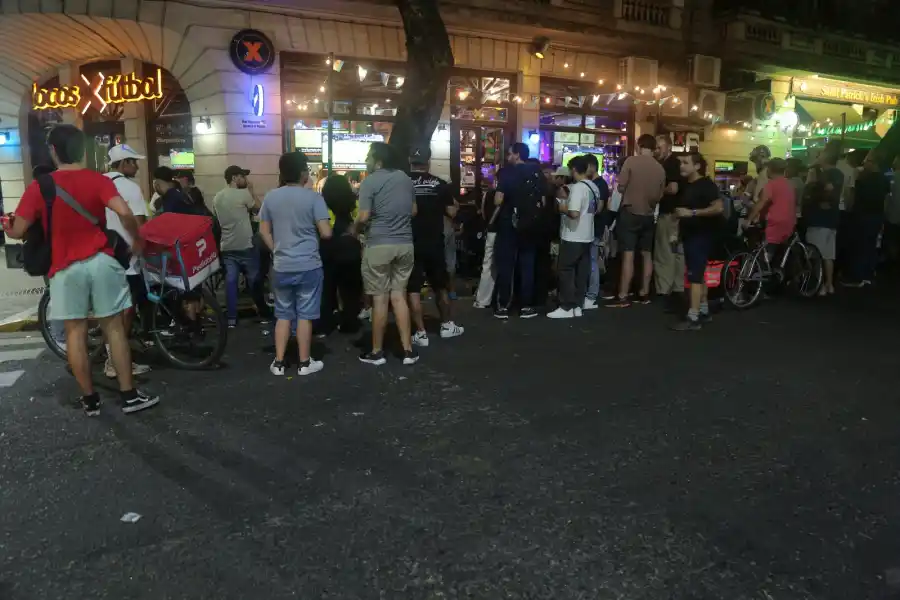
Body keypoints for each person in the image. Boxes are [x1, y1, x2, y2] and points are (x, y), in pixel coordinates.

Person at [2, 124, 159, 415]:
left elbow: (18, 231)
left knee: (76, 332)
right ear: (82, 150)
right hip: (101, 261)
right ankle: (129, 397)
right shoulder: (96, 180)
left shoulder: (41, 186)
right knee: (114, 329)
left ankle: (90, 400)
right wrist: (137, 239)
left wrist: (9, 225)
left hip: (64, 268)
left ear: (53, 151)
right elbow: (124, 213)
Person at [259, 152, 332, 376]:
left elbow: (263, 230)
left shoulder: (271, 197)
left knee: (283, 313)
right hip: (309, 264)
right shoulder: (314, 198)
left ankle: (279, 362)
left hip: (282, 264)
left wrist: (277, 249)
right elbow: (326, 233)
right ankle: (304, 362)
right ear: (303, 173)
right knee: (305, 314)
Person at [350, 142, 418, 366]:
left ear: (378, 161)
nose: (366, 160)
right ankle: (408, 350)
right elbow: (414, 211)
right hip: (405, 244)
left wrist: (354, 229)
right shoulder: (405, 179)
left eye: (369, 156)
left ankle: (377, 352)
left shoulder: (370, 181)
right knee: (399, 295)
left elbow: (364, 215)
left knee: (380, 299)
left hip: (379, 244)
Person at [103, 144, 152, 379]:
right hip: (127, 256)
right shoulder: (130, 188)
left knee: (109, 308)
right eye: (133, 161)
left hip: (101, 253)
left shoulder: (98, 183)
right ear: (123, 165)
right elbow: (140, 223)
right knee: (127, 309)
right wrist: (141, 245)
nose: (137, 165)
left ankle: (110, 355)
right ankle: (117, 361)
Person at [408, 147, 464, 346]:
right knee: (440, 286)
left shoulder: (403, 183)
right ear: (428, 161)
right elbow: (451, 212)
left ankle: (420, 333)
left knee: (413, 289)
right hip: (434, 241)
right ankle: (447, 325)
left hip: (411, 241)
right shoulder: (439, 184)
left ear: (410, 160)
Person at [607, 134, 665, 308]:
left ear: (640, 146)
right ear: (654, 148)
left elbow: (621, 186)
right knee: (647, 254)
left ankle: (624, 295)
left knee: (628, 254)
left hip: (630, 212)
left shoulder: (631, 161)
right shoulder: (660, 168)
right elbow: (660, 195)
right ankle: (644, 292)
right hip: (648, 214)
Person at [489, 142, 545, 320]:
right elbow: (543, 200)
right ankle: (526, 305)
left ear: (517, 155)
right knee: (527, 265)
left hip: (509, 224)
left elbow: (498, 200)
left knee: (506, 265)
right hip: (530, 225)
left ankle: (503, 305)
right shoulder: (537, 172)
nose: (508, 157)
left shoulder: (508, 173)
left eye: (510, 154)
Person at [671, 152, 723, 331]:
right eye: (681, 163)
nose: (681, 166)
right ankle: (703, 310)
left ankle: (693, 317)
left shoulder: (706, 185)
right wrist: (676, 232)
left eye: (686, 163)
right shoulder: (687, 185)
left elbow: (718, 207)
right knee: (698, 275)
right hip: (690, 234)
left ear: (697, 166)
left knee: (694, 276)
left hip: (701, 235)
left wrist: (693, 213)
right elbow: (681, 211)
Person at [213, 165, 268, 327]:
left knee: (230, 281)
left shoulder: (217, 197)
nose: (246, 180)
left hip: (227, 246)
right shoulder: (243, 194)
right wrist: (252, 190)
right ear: (235, 178)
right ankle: (263, 311)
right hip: (245, 244)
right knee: (254, 280)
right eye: (243, 177)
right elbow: (259, 209)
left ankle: (231, 318)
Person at [548, 155, 599, 319]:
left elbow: (574, 213)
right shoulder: (594, 187)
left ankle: (566, 306)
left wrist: (562, 208)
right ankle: (578, 305)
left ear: (574, 170)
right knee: (581, 272)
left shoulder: (577, 188)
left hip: (573, 236)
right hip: (587, 235)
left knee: (566, 270)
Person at [318, 174, 364, 335]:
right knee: (351, 289)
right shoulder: (353, 204)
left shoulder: (322, 205)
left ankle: (325, 323)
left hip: (328, 249)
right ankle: (350, 322)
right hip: (350, 248)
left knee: (327, 288)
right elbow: (360, 223)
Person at [844, 151, 889, 287]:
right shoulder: (884, 179)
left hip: (862, 215)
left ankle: (858, 277)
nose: (864, 164)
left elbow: (852, 197)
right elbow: (886, 199)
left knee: (860, 246)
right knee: (871, 245)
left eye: (867, 161)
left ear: (874, 163)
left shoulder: (862, 178)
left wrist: (849, 210)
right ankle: (868, 274)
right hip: (877, 215)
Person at [653, 134, 686, 312]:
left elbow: (673, 188)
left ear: (668, 147)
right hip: (680, 214)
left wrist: (658, 192)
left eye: (659, 147)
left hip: (669, 214)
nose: (656, 151)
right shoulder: (676, 163)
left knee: (664, 252)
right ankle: (678, 287)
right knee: (677, 252)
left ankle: (664, 290)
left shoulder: (670, 163)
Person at [804, 148, 843, 295]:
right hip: (831, 220)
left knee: (817, 254)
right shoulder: (838, 174)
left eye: (820, 155)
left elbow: (821, 190)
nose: (817, 157)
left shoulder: (823, 175)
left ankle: (820, 285)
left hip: (818, 219)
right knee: (828, 255)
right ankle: (828, 284)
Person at [747, 158, 797, 266]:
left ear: (769, 170)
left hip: (775, 223)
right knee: (782, 252)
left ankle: (765, 273)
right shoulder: (790, 184)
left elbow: (761, 203)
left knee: (767, 252)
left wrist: (749, 220)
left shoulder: (771, 185)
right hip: (789, 222)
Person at [583, 153, 610, 310]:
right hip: (591, 227)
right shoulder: (596, 184)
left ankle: (592, 295)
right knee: (589, 260)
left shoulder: (600, 185)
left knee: (592, 260)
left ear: (592, 167)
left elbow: (599, 208)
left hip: (594, 227)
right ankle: (589, 292)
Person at [473, 171, 502, 309]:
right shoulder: (506, 194)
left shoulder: (487, 194)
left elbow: (484, 214)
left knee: (488, 264)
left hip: (491, 231)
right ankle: (498, 297)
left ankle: (483, 299)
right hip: (503, 232)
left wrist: (489, 223)